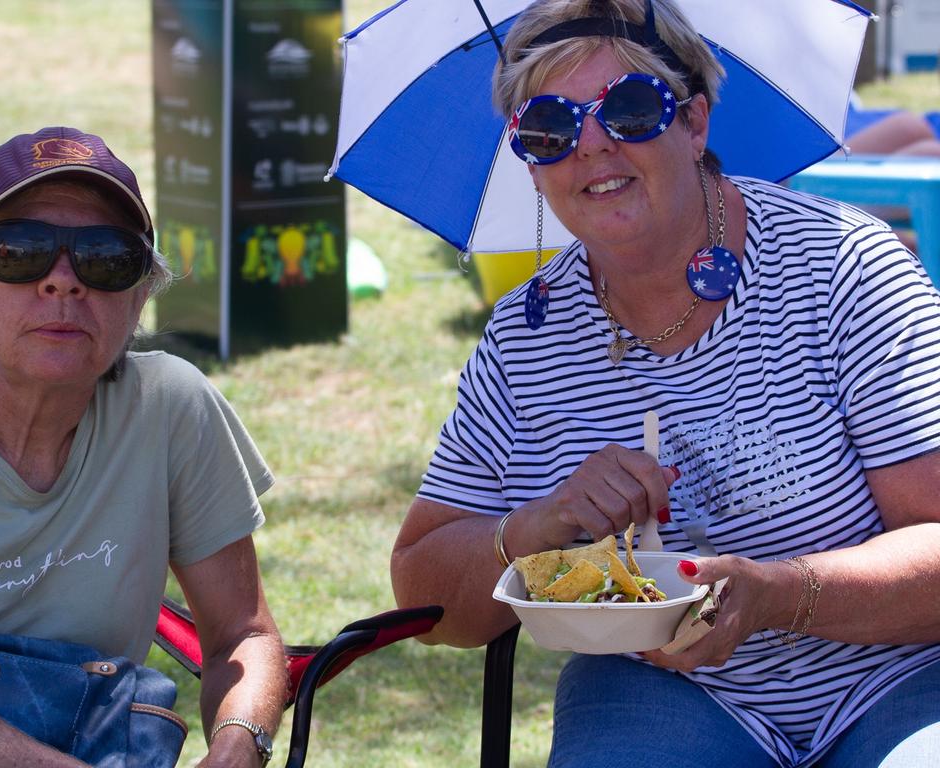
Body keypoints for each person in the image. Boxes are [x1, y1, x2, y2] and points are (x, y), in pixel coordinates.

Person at [391, 2, 940, 767]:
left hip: (900, 678)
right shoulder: (527, 337)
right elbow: (425, 596)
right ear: (528, 157)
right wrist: (532, 528)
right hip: (666, 697)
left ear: (695, 124)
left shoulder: (842, 267)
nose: (592, 147)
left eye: (631, 109)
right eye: (549, 128)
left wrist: (778, 594)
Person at [0, 126, 287, 767]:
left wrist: (237, 745)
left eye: (107, 258)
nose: (63, 282)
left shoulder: (169, 406)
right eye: (18, 251)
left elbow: (242, 635)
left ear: (142, 294)